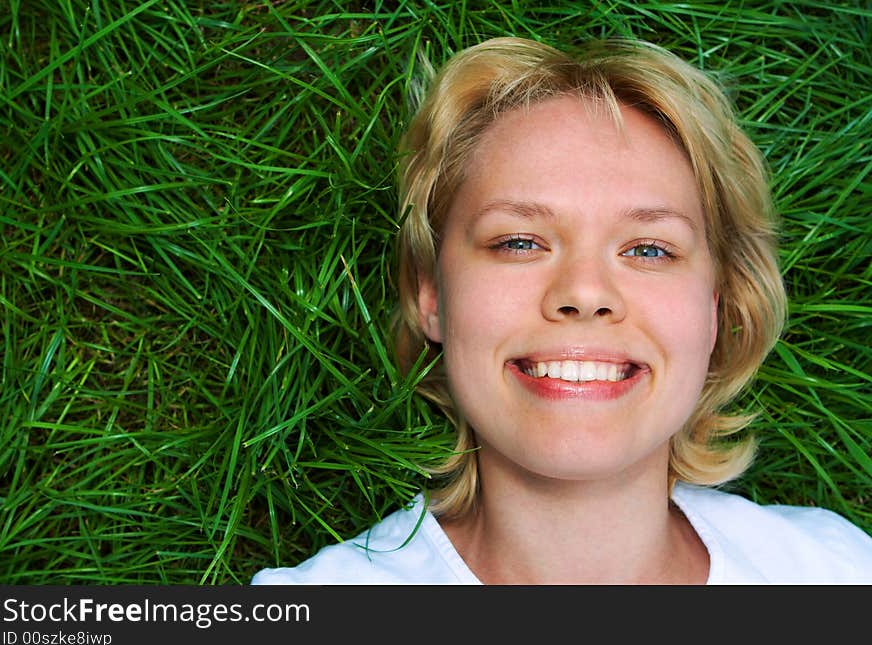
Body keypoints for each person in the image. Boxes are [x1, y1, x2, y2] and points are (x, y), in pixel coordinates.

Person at [252, 36, 872, 584]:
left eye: (650, 249)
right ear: (431, 296)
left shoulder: (837, 571)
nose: (583, 292)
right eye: (519, 242)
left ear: (715, 308)